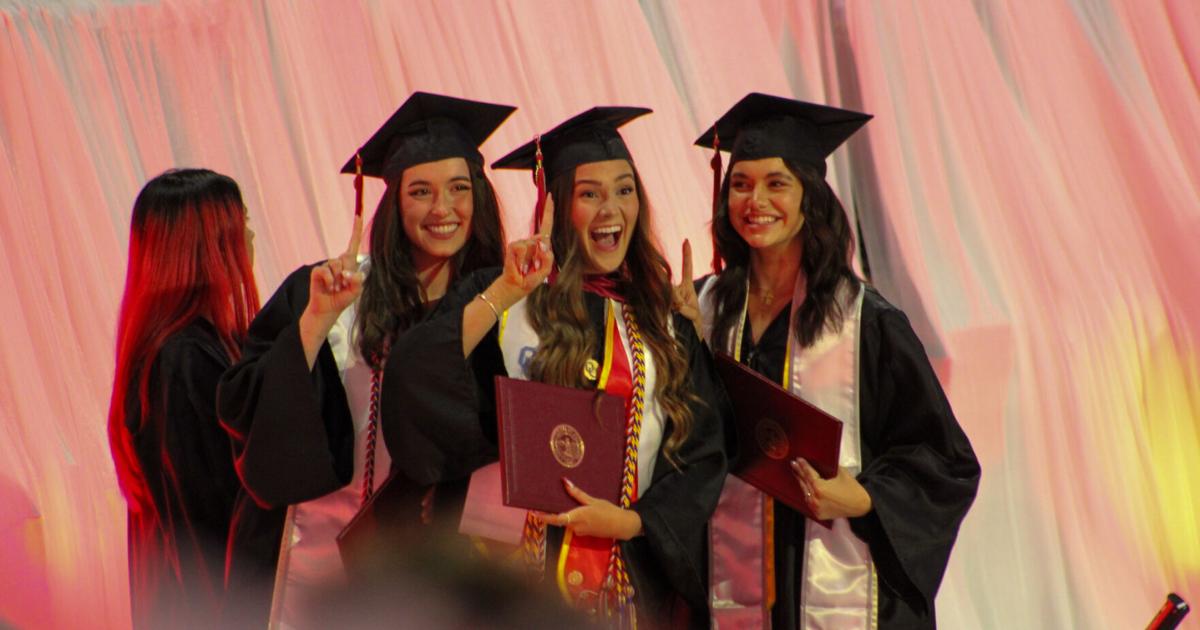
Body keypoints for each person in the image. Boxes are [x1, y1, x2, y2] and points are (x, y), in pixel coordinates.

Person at [384, 107, 730, 628]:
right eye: (589, 193)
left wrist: (635, 522)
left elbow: (704, 453)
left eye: (624, 189)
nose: (611, 208)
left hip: (620, 578)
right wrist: (506, 291)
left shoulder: (662, 322)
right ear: (556, 207)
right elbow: (417, 376)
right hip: (501, 580)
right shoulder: (508, 301)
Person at [676, 93, 981, 628]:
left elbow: (944, 460)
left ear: (811, 198)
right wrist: (676, 337)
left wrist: (864, 498)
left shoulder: (867, 323)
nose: (755, 200)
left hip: (832, 574)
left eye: (777, 183)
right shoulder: (701, 307)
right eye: (741, 184)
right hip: (730, 571)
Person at [216, 92, 514, 628]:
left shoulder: (502, 304)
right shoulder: (331, 288)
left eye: (458, 189)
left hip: (444, 574)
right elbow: (245, 407)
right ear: (394, 203)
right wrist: (315, 321)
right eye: (421, 191)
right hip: (318, 568)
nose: (442, 209)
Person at [106, 168, 260, 629]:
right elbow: (203, 520)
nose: (251, 235)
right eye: (240, 222)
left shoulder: (174, 347)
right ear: (205, 245)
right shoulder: (183, 358)